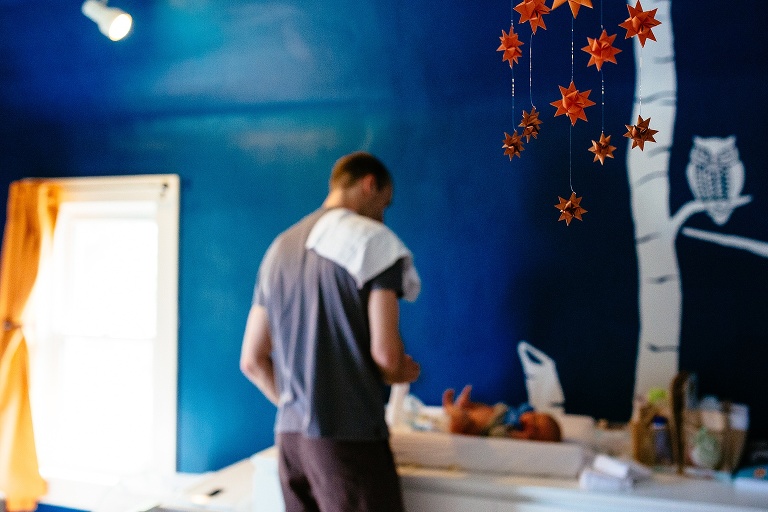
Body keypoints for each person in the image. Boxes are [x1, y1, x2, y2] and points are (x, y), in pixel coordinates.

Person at [240, 151, 421, 512]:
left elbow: (252, 361)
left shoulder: (279, 248)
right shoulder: (375, 241)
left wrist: (302, 405)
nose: (383, 215)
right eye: (385, 204)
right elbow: (386, 357)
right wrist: (406, 371)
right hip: (349, 444)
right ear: (370, 185)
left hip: (290, 444)